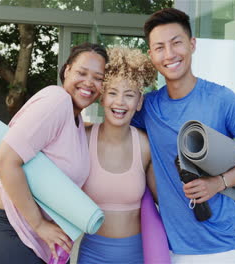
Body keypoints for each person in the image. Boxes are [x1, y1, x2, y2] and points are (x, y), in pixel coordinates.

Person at [131, 8, 235, 263]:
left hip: (224, 247)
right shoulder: (147, 108)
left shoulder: (221, 99)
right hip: (172, 249)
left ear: (192, 44)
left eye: (177, 43)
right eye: (160, 47)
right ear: (151, 55)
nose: (170, 54)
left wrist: (219, 183)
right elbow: (111, 124)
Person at [0, 42, 109, 264]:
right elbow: (6, 160)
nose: (89, 82)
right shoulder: (57, 100)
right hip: (8, 230)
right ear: (67, 70)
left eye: (98, 78)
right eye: (82, 72)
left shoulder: (77, 121)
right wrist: (40, 225)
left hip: (35, 238)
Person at [77, 47, 158, 264]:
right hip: (92, 253)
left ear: (139, 102)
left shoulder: (145, 144)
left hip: (136, 254)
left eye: (129, 95)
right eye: (112, 93)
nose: (120, 102)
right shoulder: (82, 137)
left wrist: (220, 195)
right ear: (102, 97)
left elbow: (166, 196)